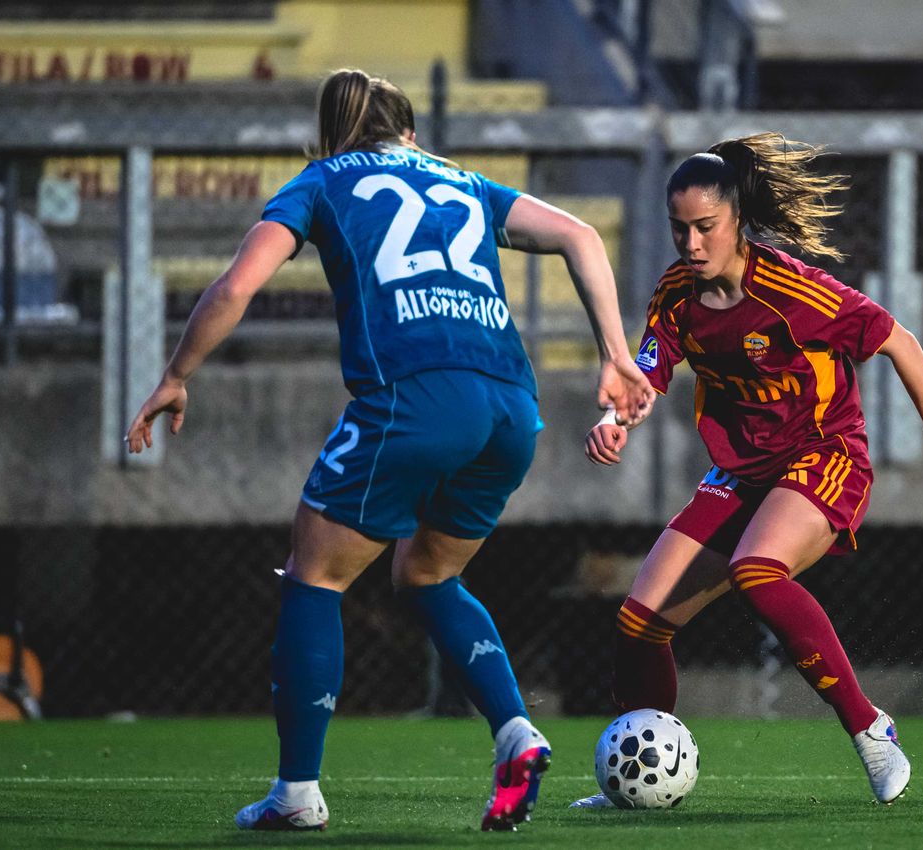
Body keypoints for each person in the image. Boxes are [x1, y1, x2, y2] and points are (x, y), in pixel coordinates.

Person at [125, 69, 653, 832]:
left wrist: (176, 374)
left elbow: (239, 285)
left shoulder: (321, 180)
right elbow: (577, 233)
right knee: (428, 572)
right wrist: (613, 352)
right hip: (510, 405)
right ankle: (515, 732)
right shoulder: (462, 180)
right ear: (409, 132)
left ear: (336, 133)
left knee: (315, 572)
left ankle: (297, 796)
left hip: (416, 398)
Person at [574, 133, 923, 807]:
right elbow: (645, 374)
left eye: (706, 227)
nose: (692, 244)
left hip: (824, 455)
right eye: (680, 229)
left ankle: (870, 728)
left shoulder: (797, 291)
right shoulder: (676, 294)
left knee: (756, 570)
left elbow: (900, 343)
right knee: (638, 623)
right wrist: (616, 421)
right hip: (743, 472)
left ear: (737, 219)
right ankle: (640, 778)